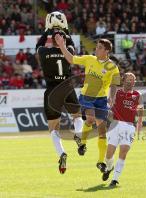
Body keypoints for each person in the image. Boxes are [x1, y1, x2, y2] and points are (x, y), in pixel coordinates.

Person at [55, 35, 120, 173]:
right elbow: (71, 59)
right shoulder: (90, 59)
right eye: (96, 47)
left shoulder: (112, 67)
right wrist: (61, 45)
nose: (96, 49)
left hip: (101, 100)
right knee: (90, 119)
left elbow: (114, 84)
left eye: (100, 48)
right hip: (86, 97)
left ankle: (100, 161)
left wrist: (112, 97)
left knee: (102, 131)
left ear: (106, 51)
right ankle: (83, 142)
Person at [36, 29, 83, 174]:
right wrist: (66, 31)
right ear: (63, 40)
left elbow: (38, 45)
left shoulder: (44, 51)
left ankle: (61, 153)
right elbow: (72, 45)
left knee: (53, 127)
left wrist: (47, 32)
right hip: (67, 88)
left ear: (52, 40)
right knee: (77, 116)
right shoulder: (67, 49)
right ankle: (79, 135)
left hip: (52, 91)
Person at [102, 72, 143, 187]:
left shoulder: (138, 95)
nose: (130, 82)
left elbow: (140, 113)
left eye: (132, 80)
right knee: (109, 155)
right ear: (123, 81)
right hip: (115, 125)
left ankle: (115, 179)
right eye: (128, 79)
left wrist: (139, 126)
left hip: (129, 126)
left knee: (123, 152)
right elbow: (109, 106)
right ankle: (109, 168)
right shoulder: (117, 93)